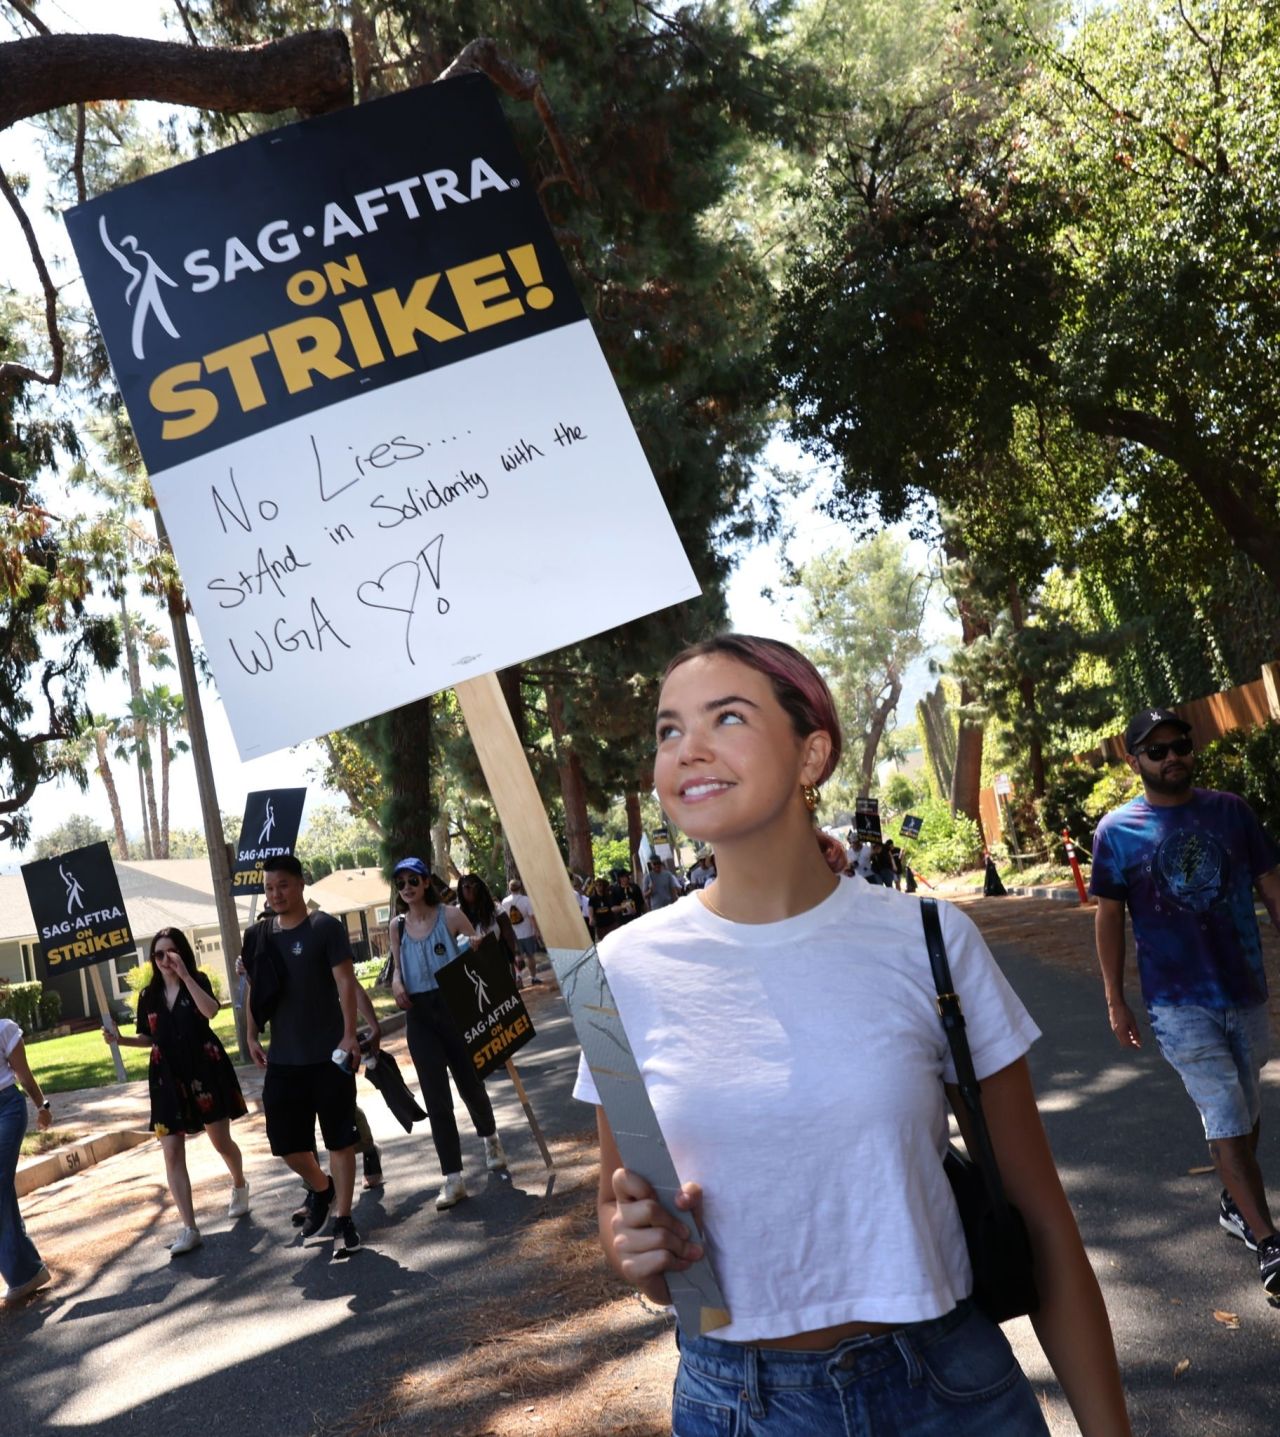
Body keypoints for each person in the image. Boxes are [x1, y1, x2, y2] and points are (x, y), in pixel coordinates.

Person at [575, 633, 1131, 1436]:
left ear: (813, 753)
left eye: (725, 717)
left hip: (950, 1390)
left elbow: (1042, 1218)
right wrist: (636, 1249)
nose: (686, 748)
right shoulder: (613, 974)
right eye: (667, 729)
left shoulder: (929, 940)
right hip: (737, 1402)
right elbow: (618, 1213)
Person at [1092, 707, 1280, 1296]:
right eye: (1157, 750)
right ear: (1135, 760)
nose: (1172, 756)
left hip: (1243, 987)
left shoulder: (1231, 812)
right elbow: (1109, 915)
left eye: (1180, 745)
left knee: (1247, 1104)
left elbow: (1271, 884)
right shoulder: (1117, 832)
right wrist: (1114, 999)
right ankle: (1270, 1243)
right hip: (1178, 1004)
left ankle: (1233, 1201)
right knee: (1223, 1106)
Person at [245, 854, 375, 1260]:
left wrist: (350, 1035)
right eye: (269, 887)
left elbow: (345, 981)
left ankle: (344, 1220)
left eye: (282, 884)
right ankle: (322, 1188)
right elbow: (255, 989)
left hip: (329, 1054)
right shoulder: (259, 936)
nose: (275, 893)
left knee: (339, 1138)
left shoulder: (325, 928)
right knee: (285, 1142)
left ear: (301, 884)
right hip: (284, 1059)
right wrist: (250, 1033)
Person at [104, 929, 249, 1255]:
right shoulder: (148, 996)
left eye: (172, 952)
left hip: (204, 1070)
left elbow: (211, 1011)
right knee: (171, 1151)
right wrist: (120, 1039)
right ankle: (190, 1227)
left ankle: (239, 1183)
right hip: (166, 1077)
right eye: (159, 955)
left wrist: (185, 975)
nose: (165, 959)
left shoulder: (196, 979)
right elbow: (148, 1038)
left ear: (182, 953)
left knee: (221, 1142)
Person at [388, 856, 507, 1210]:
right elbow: (396, 966)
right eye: (401, 884)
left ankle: (491, 1139)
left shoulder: (451, 916)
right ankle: (452, 1178)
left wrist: (474, 944)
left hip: (454, 1004)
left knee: (469, 1082)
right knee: (436, 1096)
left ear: (426, 882)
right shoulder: (396, 926)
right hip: (419, 1015)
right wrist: (397, 982)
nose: (407, 889)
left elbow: (479, 952)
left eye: (413, 881)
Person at [1, 1016, 52, 1303]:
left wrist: (42, 1107)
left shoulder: (4, 1029)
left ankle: (23, 1273)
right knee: (3, 1189)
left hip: (8, 1109)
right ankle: (29, 1271)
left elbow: (25, 1077)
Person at [457, 873, 521, 987]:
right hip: (475, 967)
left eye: (474, 885)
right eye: (467, 887)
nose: (471, 889)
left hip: (500, 959)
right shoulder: (457, 915)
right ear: (461, 891)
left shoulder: (495, 909)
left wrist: (513, 957)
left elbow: (508, 934)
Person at [500, 879, 542, 984]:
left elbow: (504, 920)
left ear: (509, 888)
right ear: (520, 888)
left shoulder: (504, 902)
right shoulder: (526, 900)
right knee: (530, 956)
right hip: (527, 932)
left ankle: (519, 977)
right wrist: (537, 931)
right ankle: (534, 977)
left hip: (513, 934)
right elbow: (532, 917)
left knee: (516, 956)